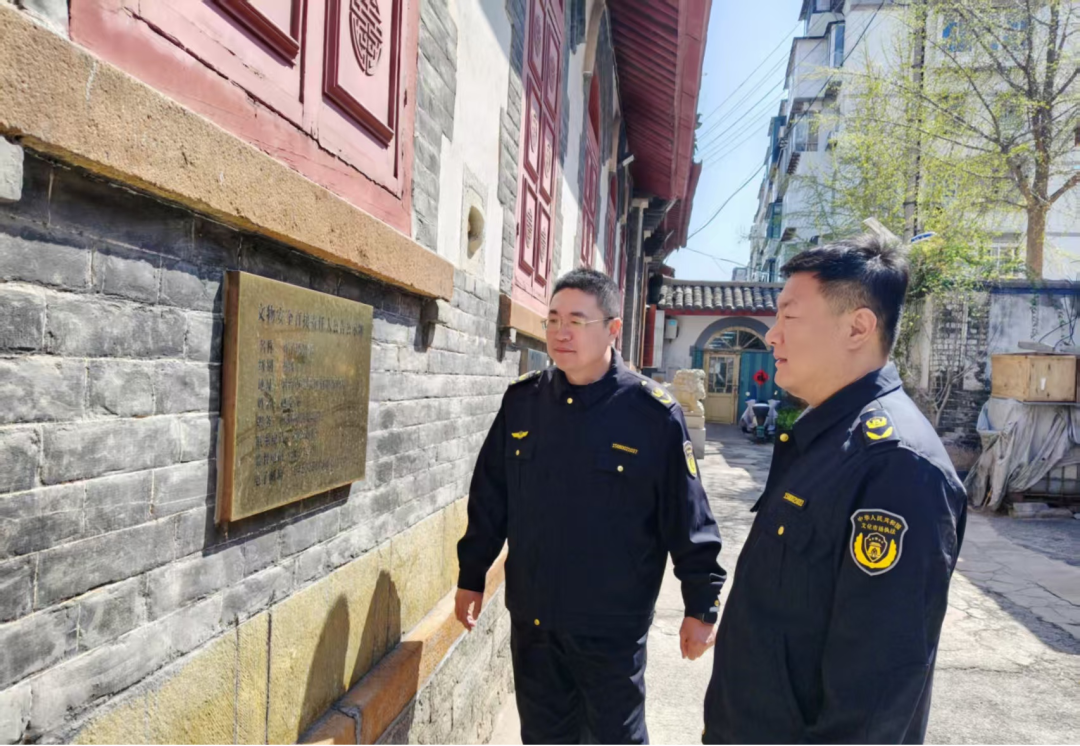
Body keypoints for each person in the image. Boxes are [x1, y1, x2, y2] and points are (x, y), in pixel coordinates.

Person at [703, 234, 967, 745]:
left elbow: (877, 692)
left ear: (857, 327)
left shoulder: (896, 465)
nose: (772, 335)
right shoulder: (827, 438)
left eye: (790, 316)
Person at [455, 268, 726, 745]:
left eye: (577, 321)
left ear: (613, 329)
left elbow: (687, 516)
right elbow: (491, 496)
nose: (561, 332)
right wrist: (471, 574)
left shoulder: (652, 415)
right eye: (553, 319)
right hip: (535, 621)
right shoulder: (523, 402)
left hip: (611, 627)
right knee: (543, 736)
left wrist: (701, 604)